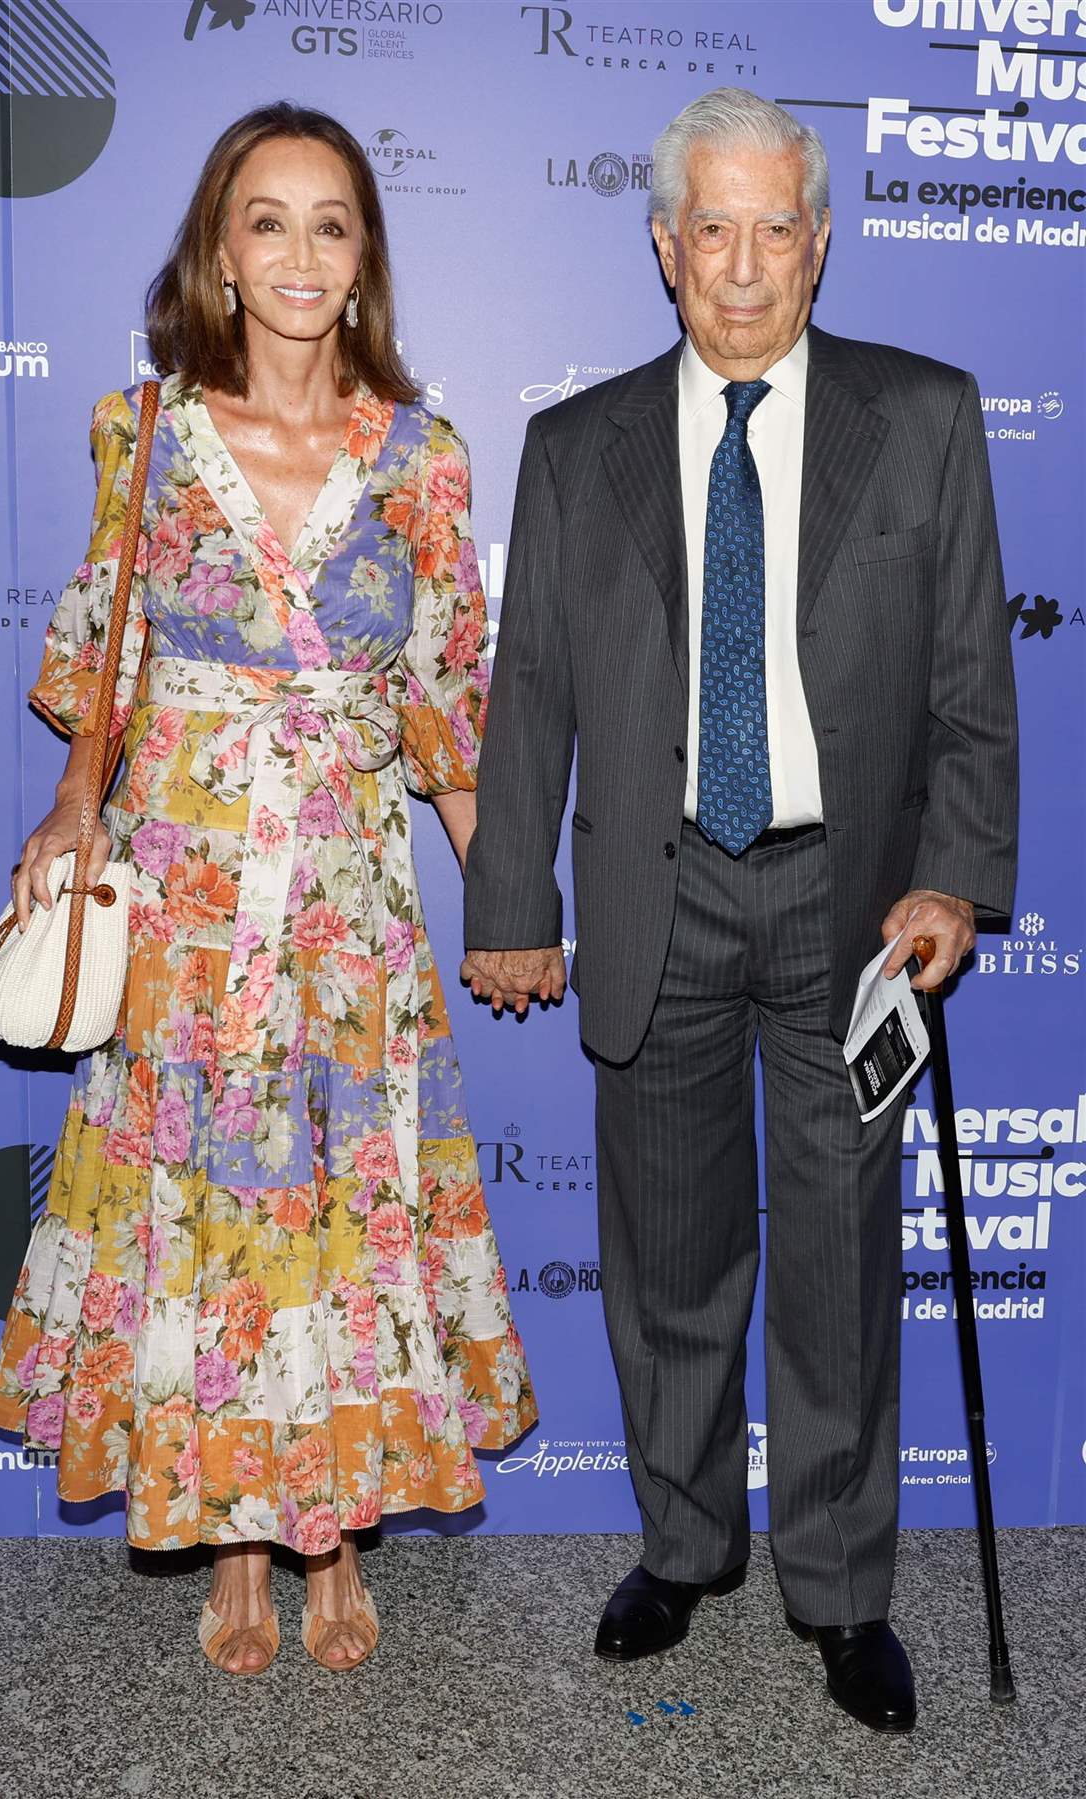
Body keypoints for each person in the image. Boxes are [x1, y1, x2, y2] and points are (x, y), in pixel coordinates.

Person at [463, 87, 1017, 1734]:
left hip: (852, 908)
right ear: (663, 248)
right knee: (672, 1260)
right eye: (714, 228)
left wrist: (958, 873)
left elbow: (973, 684)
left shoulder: (925, 417)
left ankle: (843, 1593)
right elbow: (533, 690)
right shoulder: (578, 448)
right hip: (662, 893)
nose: (747, 264)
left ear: (822, 243)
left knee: (845, 1260)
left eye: (780, 227)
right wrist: (512, 899)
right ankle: (684, 1549)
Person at [0, 101, 536, 1677]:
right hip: (192, 892)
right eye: (268, 221)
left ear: (365, 260)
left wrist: (503, 898)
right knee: (205, 1205)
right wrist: (75, 808)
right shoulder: (139, 431)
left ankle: (337, 1527)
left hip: (351, 904)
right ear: (220, 253)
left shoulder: (423, 457)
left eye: (332, 224)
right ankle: (235, 1535)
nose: (300, 254)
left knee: (349, 1202)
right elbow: (103, 658)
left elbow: (446, 703)